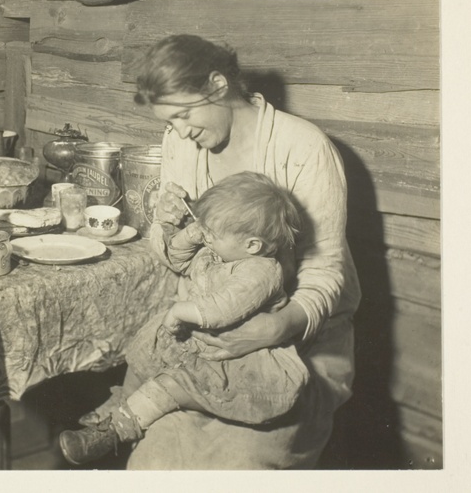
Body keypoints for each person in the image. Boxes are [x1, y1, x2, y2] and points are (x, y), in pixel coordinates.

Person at [91, 34, 360, 469]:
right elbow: (177, 260)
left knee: (237, 464)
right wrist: (166, 227)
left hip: (296, 348)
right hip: (206, 341)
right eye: (170, 121)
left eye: (184, 114)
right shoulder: (181, 141)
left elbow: (325, 274)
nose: (180, 132)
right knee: (153, 462)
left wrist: (275, 328)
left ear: (218, 85)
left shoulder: (304, 147)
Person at [59, 171, 310, 465]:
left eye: (212, 233)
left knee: (176, 383)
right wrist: (191, 235)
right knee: (144, 352)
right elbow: (178, 259)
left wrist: (178, 310)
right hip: (201, 338)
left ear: (253, 245)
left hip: (236, 355)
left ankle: (118, 429)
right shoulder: (221, 251)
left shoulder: (261, 271)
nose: (206, 236)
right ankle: (123, 401)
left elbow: (221, 310)